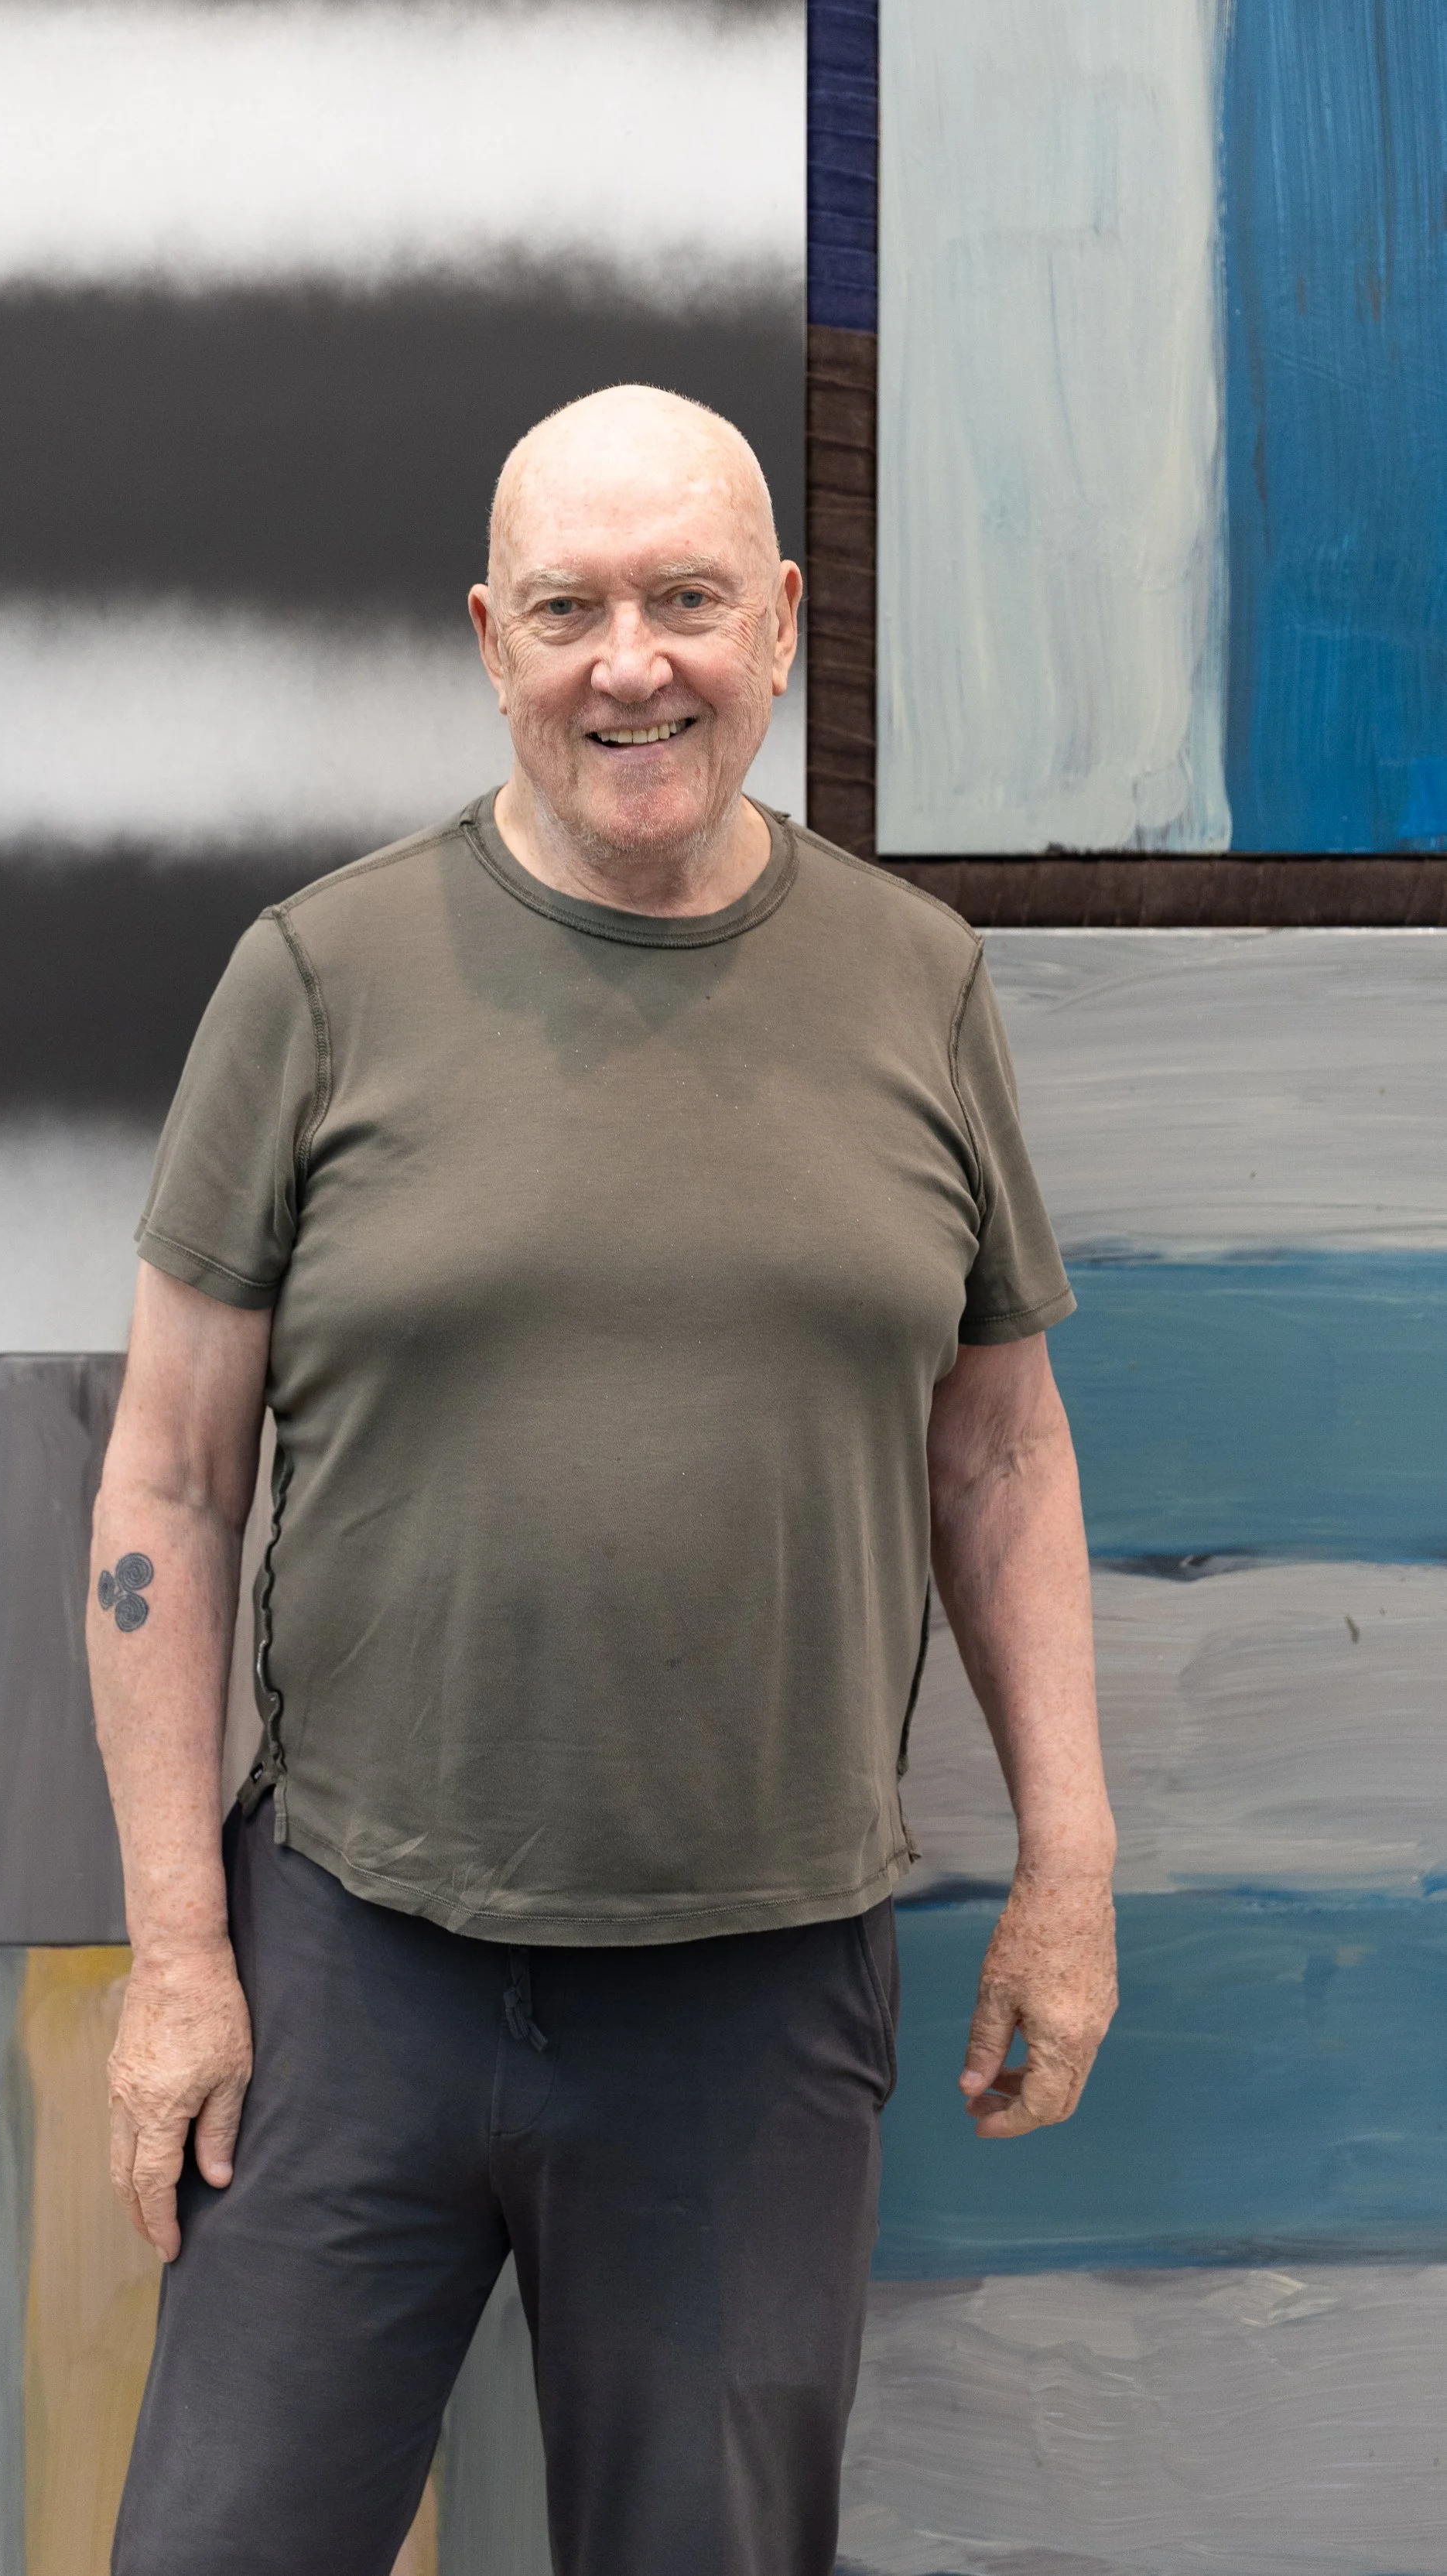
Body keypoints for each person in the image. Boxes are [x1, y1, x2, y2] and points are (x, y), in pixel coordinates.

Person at [91, 384, 1117, 2576]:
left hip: (755, 1998)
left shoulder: (912, 982)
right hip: (351, 1968)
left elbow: (1000, 1446)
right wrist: (182, 1953)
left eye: (682, 601)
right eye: (567, 608)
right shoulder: (318, 981)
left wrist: (1070, 1861)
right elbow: (168, 1483)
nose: (625, 661)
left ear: (781, 624)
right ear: (488, 636)